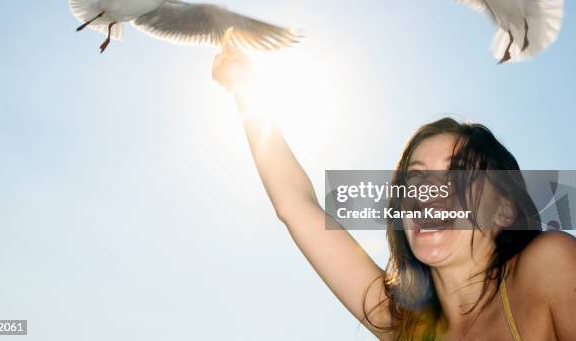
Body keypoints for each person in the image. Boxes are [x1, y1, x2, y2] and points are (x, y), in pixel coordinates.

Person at [211, 43, 576, 340]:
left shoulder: (547, 266)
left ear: (504, 211)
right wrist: (245, 91)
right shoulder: (406, 327)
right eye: (415, 179)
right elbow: (294, 204)